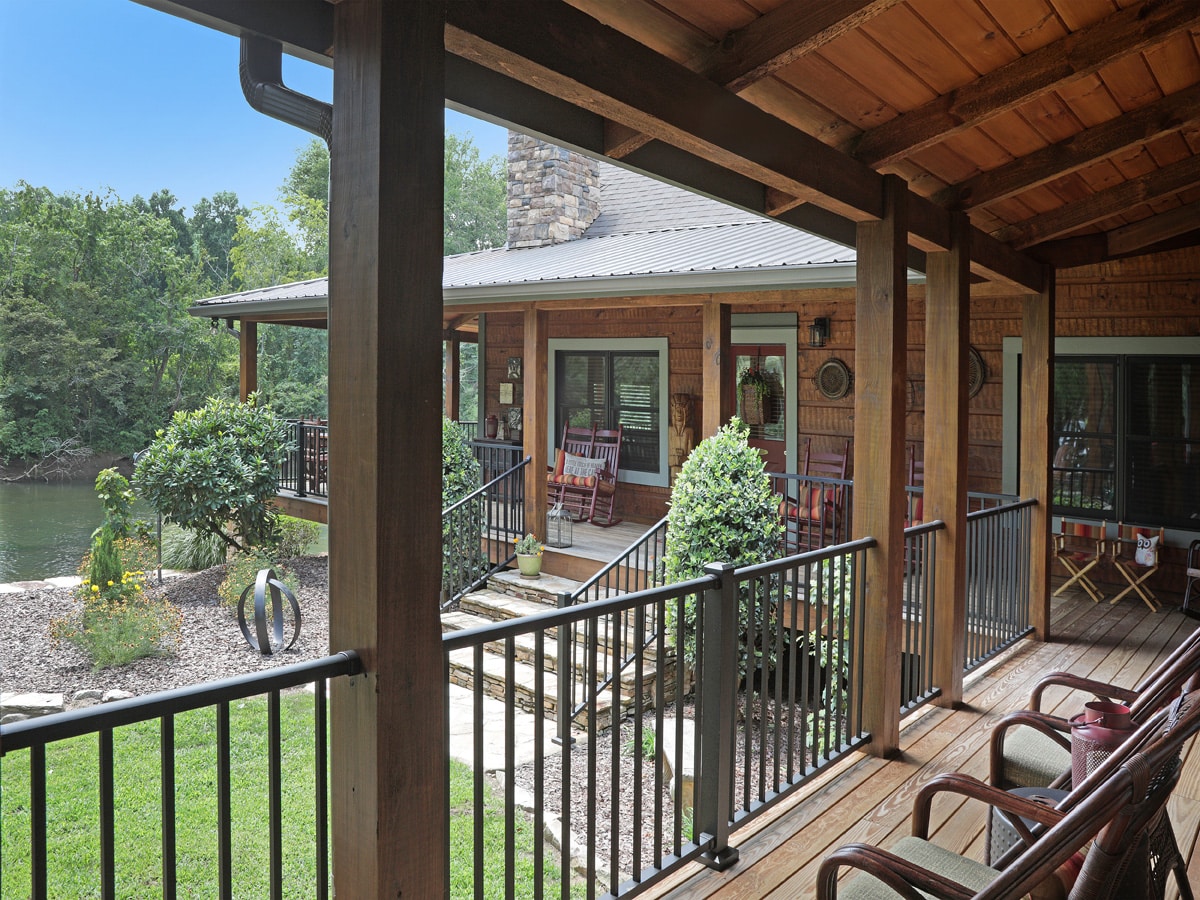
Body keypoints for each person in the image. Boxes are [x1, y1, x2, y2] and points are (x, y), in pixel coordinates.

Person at [668, 393, 694, 483]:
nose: (679, 413)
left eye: (681, 410)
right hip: (673, 471)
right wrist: (674, 457)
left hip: (684, 470)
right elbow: (668, 458)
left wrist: (681, 458)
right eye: (677, 410)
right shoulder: (670, 431)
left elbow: (691, 457)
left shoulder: (688, 431)